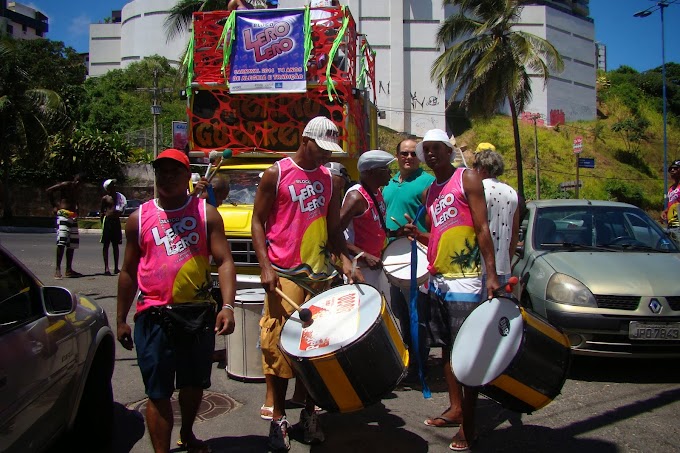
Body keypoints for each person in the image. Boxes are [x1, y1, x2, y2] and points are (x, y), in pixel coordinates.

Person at [116, 148, 237, 453]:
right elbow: (128, 271)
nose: (167, 178)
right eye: (161, 172)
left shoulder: (206, 214)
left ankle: (187, 432)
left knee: (194, 385)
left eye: (174, 172)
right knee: (157, 393)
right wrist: (120, 318)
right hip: (153, 315)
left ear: (188, 177)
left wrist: (227, 306)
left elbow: (224, 261)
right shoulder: (138, 218)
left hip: (197, 314)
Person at [252, 116, 360, 451]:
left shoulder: (330, 179)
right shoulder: (277, 173)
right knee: (279, 347)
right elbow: (257, 222)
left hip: (321, 275)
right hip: (285, 274)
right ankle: (279, 418)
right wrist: (265, 267)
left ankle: (310, 414)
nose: (326, 156)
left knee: (316, 351)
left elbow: (332, 229)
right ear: (304, 140)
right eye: (321, 148)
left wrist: (344, 260)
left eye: (331, 151)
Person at [405, 129, 499, 452]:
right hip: (439, 281)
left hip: (467, 279)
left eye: (435, 149)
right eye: (425, 150)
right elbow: (439, 236)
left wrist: (492, 274)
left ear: (448, 150)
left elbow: (481, 227)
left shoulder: (467, 178)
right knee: (445, 348)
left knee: (467, 354)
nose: (429, 154)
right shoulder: (430, 192)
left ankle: (469, 427)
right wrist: (417, 233)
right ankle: (456, 407)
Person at [382, 138, 435, 382]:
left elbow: (435, 219)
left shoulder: (427, 182)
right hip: (393, 258)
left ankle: (418, 365)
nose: (409, 157)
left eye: (414, 154)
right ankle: (408, 360)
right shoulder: (389, 184)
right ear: (397, 156)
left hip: (418, 258)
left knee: (418, 315)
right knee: (401, 313)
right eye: (404, 153)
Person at [339, 150, 394, 294]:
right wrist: (363, 255)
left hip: (376, 265)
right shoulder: (355, 197)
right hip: (360, 269)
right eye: (386, 170)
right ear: (371, 172)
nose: (390, 174)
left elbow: (375, 227)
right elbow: (334, 235)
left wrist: (396, 232)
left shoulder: (377, 192)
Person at [472, 149, 520, 300]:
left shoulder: (478, 190)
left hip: (480, 267)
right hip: (503, 266)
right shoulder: (512, 193)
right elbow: (514, 232)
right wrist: (508, 259)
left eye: (475, 167)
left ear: (483, 169)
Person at [47, 173, 84, 279]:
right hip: (64, 214)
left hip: (73, 216)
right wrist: (54, 206)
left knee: (72, 244)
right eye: (78, 182)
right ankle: (57, 269)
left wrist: (77, 210)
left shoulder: (77, 190)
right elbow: (49, 191)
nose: (79, 185)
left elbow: (75, 201)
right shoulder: (66, 185)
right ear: (75, 180)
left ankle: (69, 269)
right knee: (62, 242)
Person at [100, 179, 127, 275]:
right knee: (106, 245)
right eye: (111, 185)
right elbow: (102, 211)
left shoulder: (119, 197)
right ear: (108, 188)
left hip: (116, 221)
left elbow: (122, 207)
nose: (114, 186)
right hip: (107, 221)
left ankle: (116, 267)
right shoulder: (105, 198)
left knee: (116, 245)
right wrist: (102, 224)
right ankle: (106, 268)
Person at [662, 159, 680, 246]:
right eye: (671, 169)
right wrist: (666, 211)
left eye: (676, 168)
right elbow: (672, 203)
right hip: (670, 224)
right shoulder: (671, 188)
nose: (672, 170)